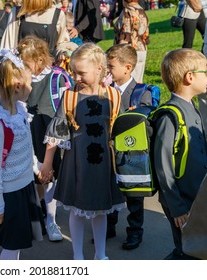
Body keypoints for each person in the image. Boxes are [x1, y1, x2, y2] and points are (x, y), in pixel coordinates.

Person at [39, 43, 125, 260]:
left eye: (82, 73)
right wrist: (47, 163)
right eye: (74, 72)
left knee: (100, 210)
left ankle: (100, 255)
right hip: (76, 163)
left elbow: (121, 130)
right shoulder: (69, 97)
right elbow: (55, 134)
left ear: (99, 68)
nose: (76, 77)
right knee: (77, 211)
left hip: (104, 163)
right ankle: (78, 256)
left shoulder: (113, 96)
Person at [0, 49, 44, 260]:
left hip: (24, 186)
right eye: (29, 82)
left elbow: (27, 146)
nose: (32, 86)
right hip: (9, 194)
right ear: (17, 86)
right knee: (11, 245)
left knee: (16, 245)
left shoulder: (21, 111)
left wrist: (36, 165)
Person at [18, 36, 71, 242]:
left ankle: (51, 219)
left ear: (39, 59)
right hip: (28, 130)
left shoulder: (57, 77)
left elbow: (66, 106)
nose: (23, 65)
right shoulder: (24, 76)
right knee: (32, 176)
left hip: (50, 132)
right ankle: (36, 213)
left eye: (26, 61)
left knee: (48, 175)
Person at [155, 48, 207, 260]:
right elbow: (163, 165)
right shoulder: (170, 116)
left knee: (197, 246)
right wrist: (177, 207)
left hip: (196, 196)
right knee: (186, 250)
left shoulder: (192, 107)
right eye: (205, 72)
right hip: (181, 202)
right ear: (190, 77)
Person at [105, 44, 152, 249]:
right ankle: (109, 225)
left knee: (133, 193)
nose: (108, 71)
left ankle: (135, 231)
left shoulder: (142, 91)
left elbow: (145, 118)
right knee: (110, 189)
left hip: (131, 152)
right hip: (108, 149)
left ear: (128, 67)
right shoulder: (105, 91)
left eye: (111, 66)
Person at [1, 0, 69, 56]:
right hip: (20, 69)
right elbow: (7, 48)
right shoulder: (16, 13)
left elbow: (62, 44)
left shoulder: (58, 14)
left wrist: (63, 53)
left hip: (48, 69)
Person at [113, 0, 149, 83]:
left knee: (128, 83)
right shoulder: (141, 10)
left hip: (129, 51)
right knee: (138, 82)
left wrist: (117, 53)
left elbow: (126, 36)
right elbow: (146, 34)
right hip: (142, 49)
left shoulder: (127, 11)